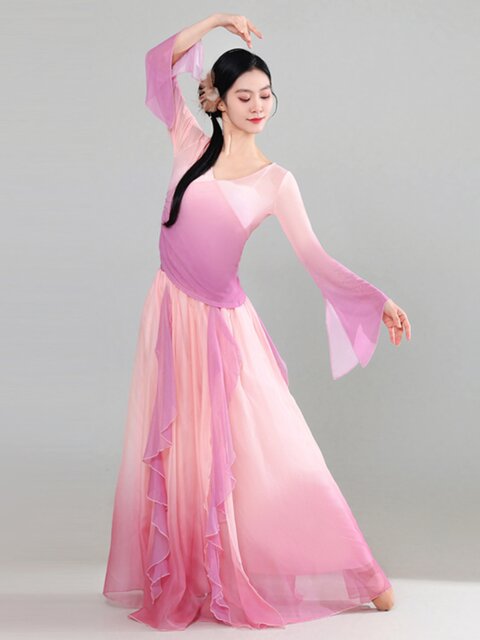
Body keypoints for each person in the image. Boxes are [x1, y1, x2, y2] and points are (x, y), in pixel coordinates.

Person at [102, 12, 411, 632]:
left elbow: (314, 256)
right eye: (244, 96)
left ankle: (363, 573)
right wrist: (216, 20)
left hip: (224, 326)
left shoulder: (276, 182)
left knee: (276, 448)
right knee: (184, 450)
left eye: (266, 95)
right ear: (217, 101)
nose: (258, 106)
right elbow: (156, 65)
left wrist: (375, 300)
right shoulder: (189, 144)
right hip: (172, 313)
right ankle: (199, 567)